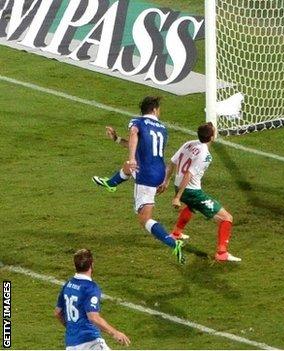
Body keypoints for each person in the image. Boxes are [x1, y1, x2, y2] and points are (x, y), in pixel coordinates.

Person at [92, 96, 185, 263]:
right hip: (159, 173)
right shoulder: (162, 128)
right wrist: (117, 139)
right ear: (155, 110)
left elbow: (134, 135)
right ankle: (111, 183)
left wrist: (132, 157)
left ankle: (173, 243)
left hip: (146, 175)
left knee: (144, 220)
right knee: (127, 168)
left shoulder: (138, 122)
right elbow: (143, 145)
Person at [159, 122, 241, 262]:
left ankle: (176, 233)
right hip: (190, 191)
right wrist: (177, 197)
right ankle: (222, 253)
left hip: (179, 186)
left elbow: (172, 162)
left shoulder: (189, 143)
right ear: (212, 137)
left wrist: (166, 182)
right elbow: (189, 174)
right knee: (226, 218)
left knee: (191, 207)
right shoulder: (205, 155)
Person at [54, 249, 131, 350]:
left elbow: (57, 313)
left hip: (71, 345)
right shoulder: (90, 287)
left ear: (75, 265)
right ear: (92, 264)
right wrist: (115, 333)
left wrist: (72, 329)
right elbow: (93, 318)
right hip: (90, 342)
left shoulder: (68, 285)